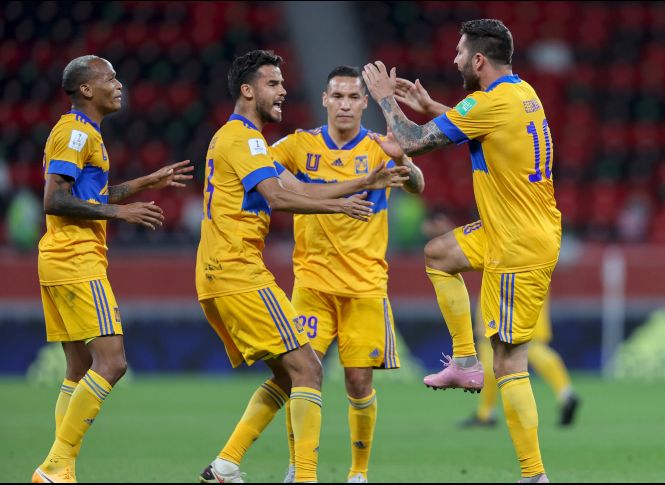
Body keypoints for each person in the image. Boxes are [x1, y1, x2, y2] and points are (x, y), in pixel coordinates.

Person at [195, 51, 409, 484]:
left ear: (362, 102)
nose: (282, 91)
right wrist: (345, 195)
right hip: (246, 271)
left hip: (244, 271)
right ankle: (303, 475)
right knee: (307, 369)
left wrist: (364, 181)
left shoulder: (238, 137)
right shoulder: (259, 141)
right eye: (273, 84)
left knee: (301, 374)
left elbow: (282, 191)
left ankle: (227, 464)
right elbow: (278, 194)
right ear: (248, 90)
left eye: (282, 83)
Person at [363, 19, 561, 484]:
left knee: (511, 361)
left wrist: (384, 98)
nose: (452, 60)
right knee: (438, 254)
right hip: (509, 227)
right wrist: (433, 107)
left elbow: (411, 141)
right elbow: (483, 124)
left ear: (478, 61)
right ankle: (464, 362)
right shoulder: (523, 94)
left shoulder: (489, 102)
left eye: (458, 53)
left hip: (519, 244)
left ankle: (534, 475)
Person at [32, 55, 193, 483]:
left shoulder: (88, 135)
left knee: (78, 368)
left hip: (64, 258)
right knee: (113, 363)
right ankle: (54, 466)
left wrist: (144, 182)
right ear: (86, 89)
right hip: (75, 259)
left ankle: (60, 469)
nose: (119, 84)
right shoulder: (73, 133)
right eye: (111, 77)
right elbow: (54, 199)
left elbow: (92, 193)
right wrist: (120, 214)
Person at [270, 65, 425, 484]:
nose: (344, 104)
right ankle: (298, 468)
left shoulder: (380, 146)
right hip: (312, 285)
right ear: (324, 100)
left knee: (358, 382)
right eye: (336, 96)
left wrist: (406, 167)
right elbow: (257, 168)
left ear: (363, 102)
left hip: (364, 287)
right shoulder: (298, 146)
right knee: (300, 374)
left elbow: (418, 185)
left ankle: (358, 473)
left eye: (353, 97)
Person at [461, 291, 580, 429]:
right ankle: (565, 393)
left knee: (489, 342)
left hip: (499, 281)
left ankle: (486, 412)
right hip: (533, 279)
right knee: (534, 344)